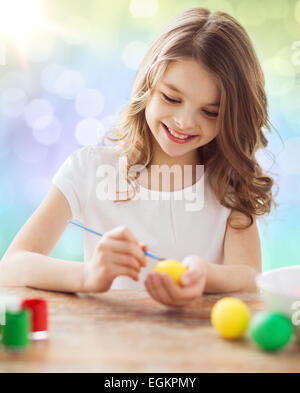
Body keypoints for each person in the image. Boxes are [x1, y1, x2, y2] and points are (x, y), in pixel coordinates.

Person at [0, 7, 276, 307]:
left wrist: (204, 276)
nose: (184, 121)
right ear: (147, 86)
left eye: (210, 112)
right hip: (107, 348)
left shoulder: (229, 184)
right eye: (171, 98)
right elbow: (12, 266)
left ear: (231, 117)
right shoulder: (89, 169)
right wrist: (88, 275)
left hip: (200, 349)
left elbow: (251, 277)